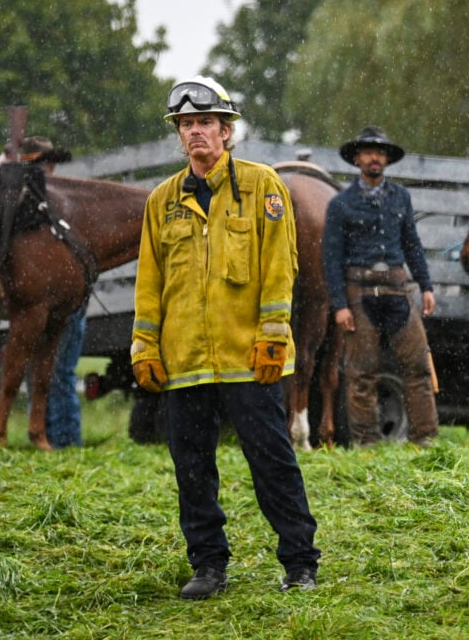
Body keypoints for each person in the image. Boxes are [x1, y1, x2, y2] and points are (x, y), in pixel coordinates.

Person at [130, 76, 320, 599]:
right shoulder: (162, 201)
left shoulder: (263, 187)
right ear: (180, 134)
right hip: (184, 361)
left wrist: (274, 334)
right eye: (187, 125)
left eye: (206, 124)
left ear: (227, 130)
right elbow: (151, 282)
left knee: (272, 461)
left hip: (248, 357)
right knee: (192, 469)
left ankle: (300, 562)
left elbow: (282, 266)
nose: (196, 133)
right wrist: (145, 345)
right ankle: (208, 567)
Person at [322, 126, 438, 447]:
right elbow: (331, 258)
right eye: (369, 152)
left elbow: (412, 245)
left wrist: (426, 286)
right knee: (361, 374)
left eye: (380, 152)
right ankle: (365, 444)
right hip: (360, 294)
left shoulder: (401, 197)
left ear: (386, 159)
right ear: (358, 158)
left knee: (417, 367)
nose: (375, 158)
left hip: (400, 293)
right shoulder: (341, 204)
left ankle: (425, 441)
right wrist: (339, 305)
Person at [8, 137, 85, 449]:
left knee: (57, 373)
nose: (47, 169)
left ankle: (62, 441)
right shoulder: (38, 203)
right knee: (48, 373)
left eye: (47, 163)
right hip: (50, 303)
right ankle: (51, 439)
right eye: (41, 164)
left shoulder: (53, 203)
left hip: (65, 303)